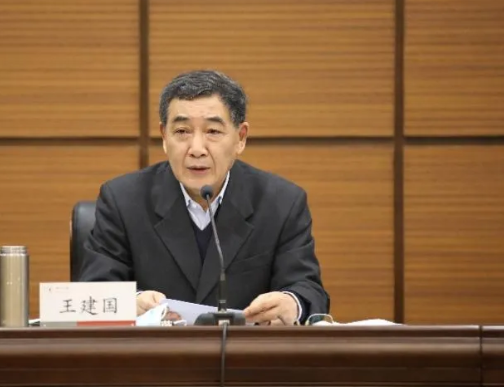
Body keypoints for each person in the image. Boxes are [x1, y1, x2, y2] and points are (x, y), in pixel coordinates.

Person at [79, 70, 329, 325]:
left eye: (213, 131)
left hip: (245, 350)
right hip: (153, 349)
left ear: (240, 138)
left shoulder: (282, 203)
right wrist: (132, 303)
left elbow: (308, 291)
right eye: (182, 131)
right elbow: (93, 294)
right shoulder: (123, 200)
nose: (197, 149)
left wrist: (291, 303)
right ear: (164, 137)